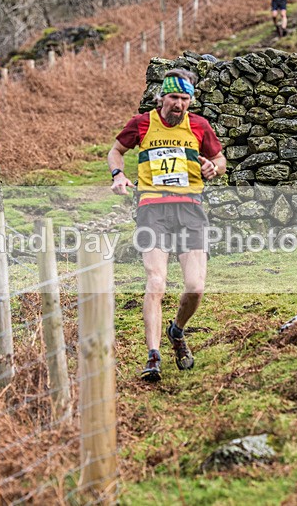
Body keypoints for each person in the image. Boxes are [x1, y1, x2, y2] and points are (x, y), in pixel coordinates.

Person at [108, 68, 226, 382]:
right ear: (162, 97)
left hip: (190, 209)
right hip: (152, 209)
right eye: (174, 97)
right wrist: (118, 175)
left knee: (195, 287)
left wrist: (213, 167)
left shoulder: (199, 125)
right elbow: (116, 151)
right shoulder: (142, 123)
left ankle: (177, 330)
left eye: (185, 99)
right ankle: (153, 356)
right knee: (156, 282)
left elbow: (221, 160)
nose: (179, 104)